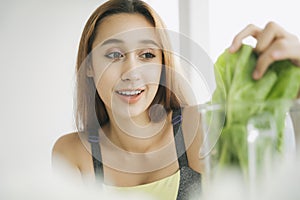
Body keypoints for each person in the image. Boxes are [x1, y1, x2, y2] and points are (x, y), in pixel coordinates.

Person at [52, 0, 300, 199]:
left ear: (162, 65)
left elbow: (271, 177)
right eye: (114, 54)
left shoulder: (197, 127)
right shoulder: (72, 153)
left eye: (147, 54)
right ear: (89, 66)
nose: (131, 72)